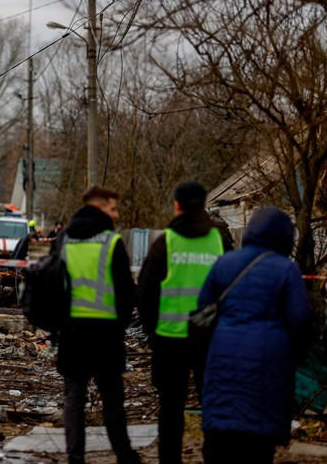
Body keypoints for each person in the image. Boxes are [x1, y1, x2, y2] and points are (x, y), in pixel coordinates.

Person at [198, 206, 312, 464]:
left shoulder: (223, 263)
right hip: (269, 361)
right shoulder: (286, 270)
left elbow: (201, 313)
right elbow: (300, 320)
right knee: (258, 443)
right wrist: (290, 356)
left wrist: (211, 350)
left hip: (222, 357)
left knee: (221, 428)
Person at [139, 182, 227, 464]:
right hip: (210, 339)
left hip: (170, 339)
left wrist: (152, 333)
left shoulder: (165, 242)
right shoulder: (219, 241)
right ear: (203, 204)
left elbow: (146, 293)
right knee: (213, 406)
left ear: (177, 205)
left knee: (171, 410)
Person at [57, 186, 141, 464]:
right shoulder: (111, 242)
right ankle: (124, 454)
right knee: (113, 400)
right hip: (106, 335)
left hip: (72, 334)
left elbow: (54, 287)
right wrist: (121, 325)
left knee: (74, 398)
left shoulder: (63, 240)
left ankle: (75, 456)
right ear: (100, 207)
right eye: (113, 209)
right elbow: (127, 292)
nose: (116, 214)